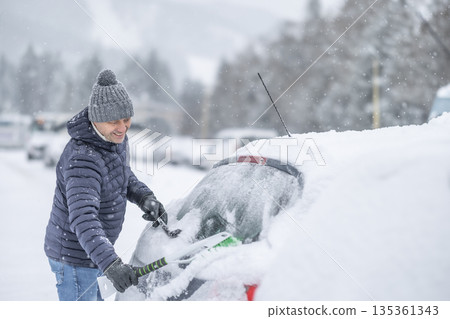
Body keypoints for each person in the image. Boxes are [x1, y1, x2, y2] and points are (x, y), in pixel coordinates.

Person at [44, 69, 167, 301]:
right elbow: (83, 218)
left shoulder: (113, 140)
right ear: (95, 119)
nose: (122, 127)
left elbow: (121, 175)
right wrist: (111, 264)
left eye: (126, 119)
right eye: (113, 121)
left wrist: (144, 197)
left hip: (95, 252)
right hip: (75, 258)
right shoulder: (83, 158)